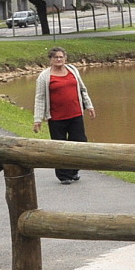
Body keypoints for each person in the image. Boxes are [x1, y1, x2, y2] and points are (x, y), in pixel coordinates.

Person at [32, 47, 96, 184]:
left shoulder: (73, 70)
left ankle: (74, 171)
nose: (59, 59)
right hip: (56, 118)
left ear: (65, 58)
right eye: (56, 57)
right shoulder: (44, 76)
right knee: (59, 146)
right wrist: (37, 119)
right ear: (51, 60)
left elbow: (82, 90)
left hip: (76, 114)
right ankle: (64, 175)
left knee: (79, 143)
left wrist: (89, 106)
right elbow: (40, 98)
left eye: (61, 57)